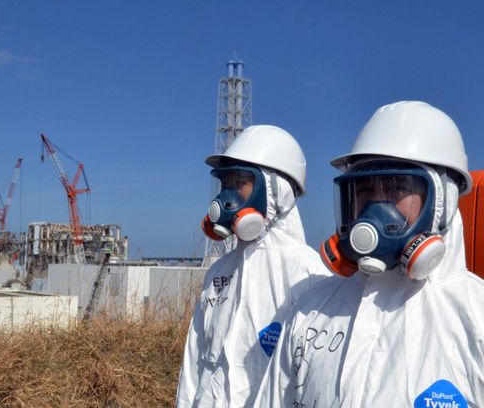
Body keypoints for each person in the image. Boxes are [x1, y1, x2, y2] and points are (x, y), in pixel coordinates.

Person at [255, 101, 484, 406]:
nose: (375, 207)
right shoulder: (312, 307)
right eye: (364, 191)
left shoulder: (475, 317)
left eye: (397, 189)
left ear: (443, 199)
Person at [177, 125, 330, 407]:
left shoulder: (311, 276)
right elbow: (193, 366)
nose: (227, 197)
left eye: (240, 183)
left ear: (277, 191)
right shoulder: (219, 273)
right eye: (225, 184)